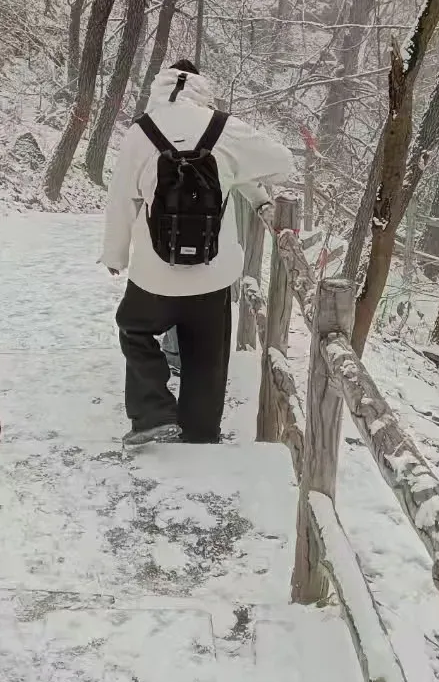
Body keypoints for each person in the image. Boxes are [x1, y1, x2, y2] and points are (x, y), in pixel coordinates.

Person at [100, 59, 294, 446]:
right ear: (202, 89)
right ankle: (201, 435)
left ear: (160, 87)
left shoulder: (142, 132)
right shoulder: (224, 128)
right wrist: (235, 173)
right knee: (207, 356)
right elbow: (283, 164)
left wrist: (115, 255)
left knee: (134, 328)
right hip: (213, 274)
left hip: (153, 274)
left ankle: (152, 413)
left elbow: (122, 199)